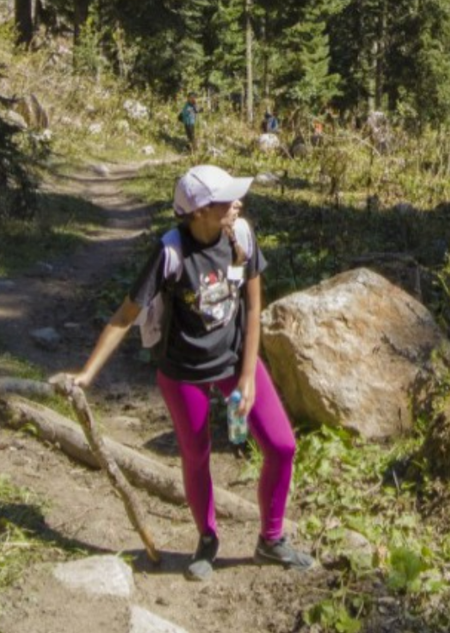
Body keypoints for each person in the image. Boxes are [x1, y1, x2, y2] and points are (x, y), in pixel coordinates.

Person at [64, 163, 312, 578]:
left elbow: (253, 307)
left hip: (234, 361)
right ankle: (207, 539)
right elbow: (126, 314)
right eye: (224, 201)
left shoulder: (241, 235)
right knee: (196, 455)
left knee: (282, 446)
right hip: (183, 371)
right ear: (198, 212)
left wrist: (248, 375)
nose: (237, 203)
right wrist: (87, 373)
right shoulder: (171, 252)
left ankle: (271, 540)